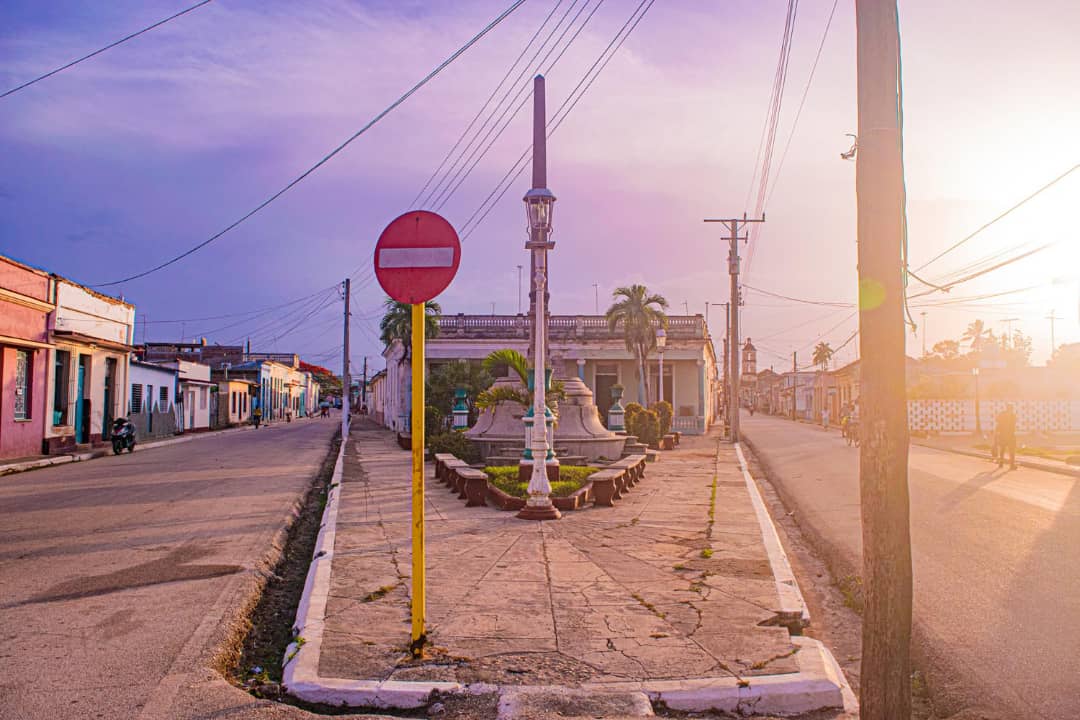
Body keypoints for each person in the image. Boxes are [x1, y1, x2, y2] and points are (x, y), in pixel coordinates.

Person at [997, 404, 1017, 469]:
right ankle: (1011, 465)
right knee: (1012, 450)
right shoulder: (1013, 415)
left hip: (1002, 434)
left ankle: (1001, 463)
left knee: (1002, 449)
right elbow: (1014, 424)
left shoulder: (1001, 414)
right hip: (1010, 435)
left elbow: (997, 421)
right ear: (1011, 409)